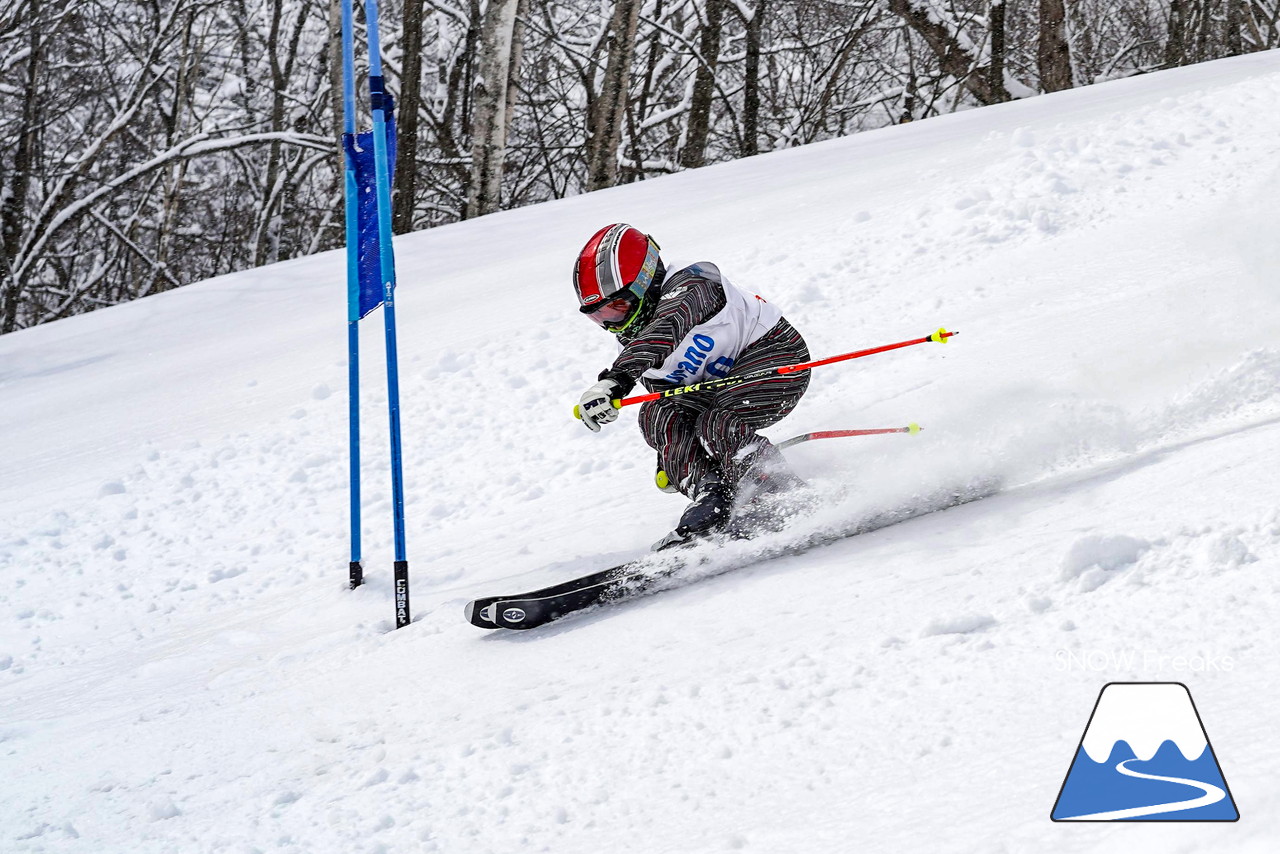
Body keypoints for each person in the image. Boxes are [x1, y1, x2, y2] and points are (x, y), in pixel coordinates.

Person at [573, 223, 811, 542]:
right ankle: (712, 499)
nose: (611, 325)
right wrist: (678, 460)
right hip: (716, 387)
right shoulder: (634, 350)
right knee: (654, 413)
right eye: (598, 317)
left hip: (774, 354)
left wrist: (614, 382)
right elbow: (671, 405)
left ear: (646, 280)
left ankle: (784, 496)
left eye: (617, 308)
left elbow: (667, 327)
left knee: (718, 423)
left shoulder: (695, 281)